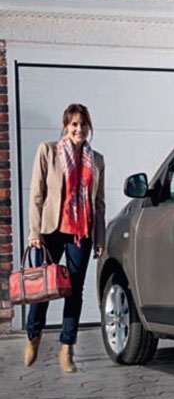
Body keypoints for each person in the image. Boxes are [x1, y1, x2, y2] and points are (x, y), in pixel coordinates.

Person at [23, 103, 105, 374]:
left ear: (88, 127)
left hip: (81, 233)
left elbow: (99, 203)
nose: (79, 129)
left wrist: (100, 237)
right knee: (41, 289)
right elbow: (36, 195)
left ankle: (67, 348)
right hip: (49, 231)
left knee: (75, 291)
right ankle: (33, 335)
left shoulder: (97, 160)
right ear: (65, 127)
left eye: (83, 124)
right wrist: (34, 233)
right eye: (73, 124)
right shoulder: (48, 152)